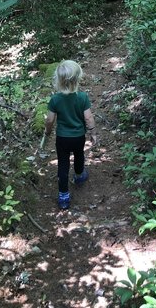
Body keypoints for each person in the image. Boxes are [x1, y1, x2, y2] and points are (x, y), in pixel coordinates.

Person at [42, 60, 97, 210]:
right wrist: (93, 132)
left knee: (63, 164)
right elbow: (88, 118)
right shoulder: (82, 97)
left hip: (62, 139)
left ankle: (64, 195)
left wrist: (47, 132)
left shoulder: (55, 100)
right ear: (77, 79)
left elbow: (49, 120)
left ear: (59, 80)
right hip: (78, 137)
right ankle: (79, 175)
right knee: (79, 155)